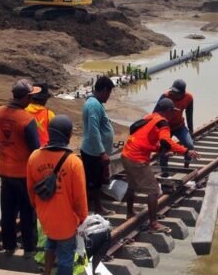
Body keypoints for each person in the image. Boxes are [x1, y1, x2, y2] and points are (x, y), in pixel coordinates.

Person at [0, 79, 41, 255]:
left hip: (5, 171)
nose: (32, 100)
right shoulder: (27, 120)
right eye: (31, 97)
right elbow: (35, 150)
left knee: (8, 211)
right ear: (26, 97)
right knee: (27, 213)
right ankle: (29, 248)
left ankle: (9, 246)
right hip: (23, 174)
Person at [121, 98, 200, 234]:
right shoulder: (163, 123)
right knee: (153, 191)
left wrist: (161, 150)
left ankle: (129, 212)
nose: (173, 115)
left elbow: (145, 138)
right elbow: (166, 141)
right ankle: (153, 224)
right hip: (137, 158)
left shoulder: (150, 117)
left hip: (126, 154)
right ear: (167, 111)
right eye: (172, 112)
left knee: (132, 185)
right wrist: (186, 150)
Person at [27, 115, 87, 275]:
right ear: (68, 135)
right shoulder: (74, 162)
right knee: (67, 258)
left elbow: (30, 189)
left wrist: (37, 208)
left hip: (46, 216)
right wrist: (82, 218)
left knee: (50, 242)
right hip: (67, 220)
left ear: (49, 133)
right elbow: (79, 196)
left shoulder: (34, 157)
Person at [81, 76, 115, 216]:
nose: (108, 96)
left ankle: (93, 206)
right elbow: (93, 130)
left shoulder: (95, 103)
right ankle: (98, 208)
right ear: (104, 90)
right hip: (93, 152)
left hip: (95, 151)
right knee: (94, 182)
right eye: (109, 93)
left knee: (96, 180)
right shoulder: (94, 105)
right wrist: (102, 152)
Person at [155, 79, 195, 176]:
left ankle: (186, 167)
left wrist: (191, 129)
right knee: (164, 149)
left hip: (179, 126)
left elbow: (189, 114)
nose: (172, 93)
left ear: (182, 93)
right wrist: (157, 132)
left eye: (175, 92)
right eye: (172, 90)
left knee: (190, 145)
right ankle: (165, 173)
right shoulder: (165, 96)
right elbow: (155, 113)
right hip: (165, 127)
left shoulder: (189, 98)